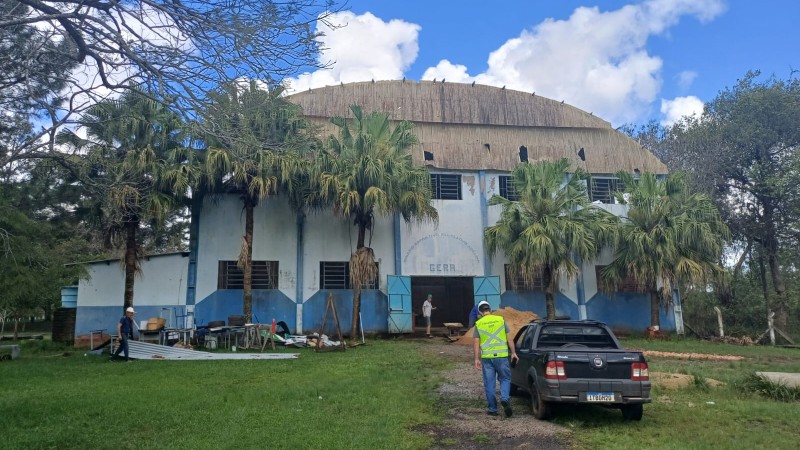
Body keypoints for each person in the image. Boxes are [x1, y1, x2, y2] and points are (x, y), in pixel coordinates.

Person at [473, 301, 518, 417]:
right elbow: (510, 339)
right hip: (502, 356)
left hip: (487, 358)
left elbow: (476, 342)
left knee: (489, 383)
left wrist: (476, 359)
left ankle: (492, 409)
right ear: (491, 310)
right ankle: (505, 398)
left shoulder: (478, 324)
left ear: (480, 312)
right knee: (505, 379)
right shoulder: (501, 321)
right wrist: (513, 353)